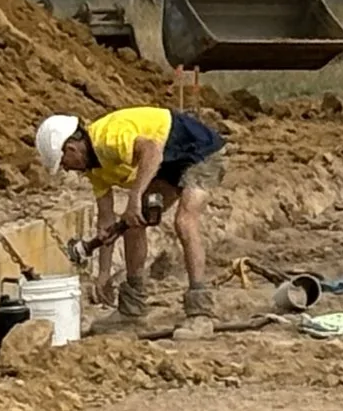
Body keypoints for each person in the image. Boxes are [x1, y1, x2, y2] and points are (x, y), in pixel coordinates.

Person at [34, 106, 228, 318]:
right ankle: (133, 308)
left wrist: (135, 198)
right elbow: (106, 220)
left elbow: (151, 151)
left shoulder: (108, 138)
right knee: (133, 225)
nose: (66, 169)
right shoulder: (94, 169)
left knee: (184, 221)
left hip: (202, 151)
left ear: (71, 148)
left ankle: (200, 310)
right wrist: (103, 273)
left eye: (63, 163)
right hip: (170, 162)